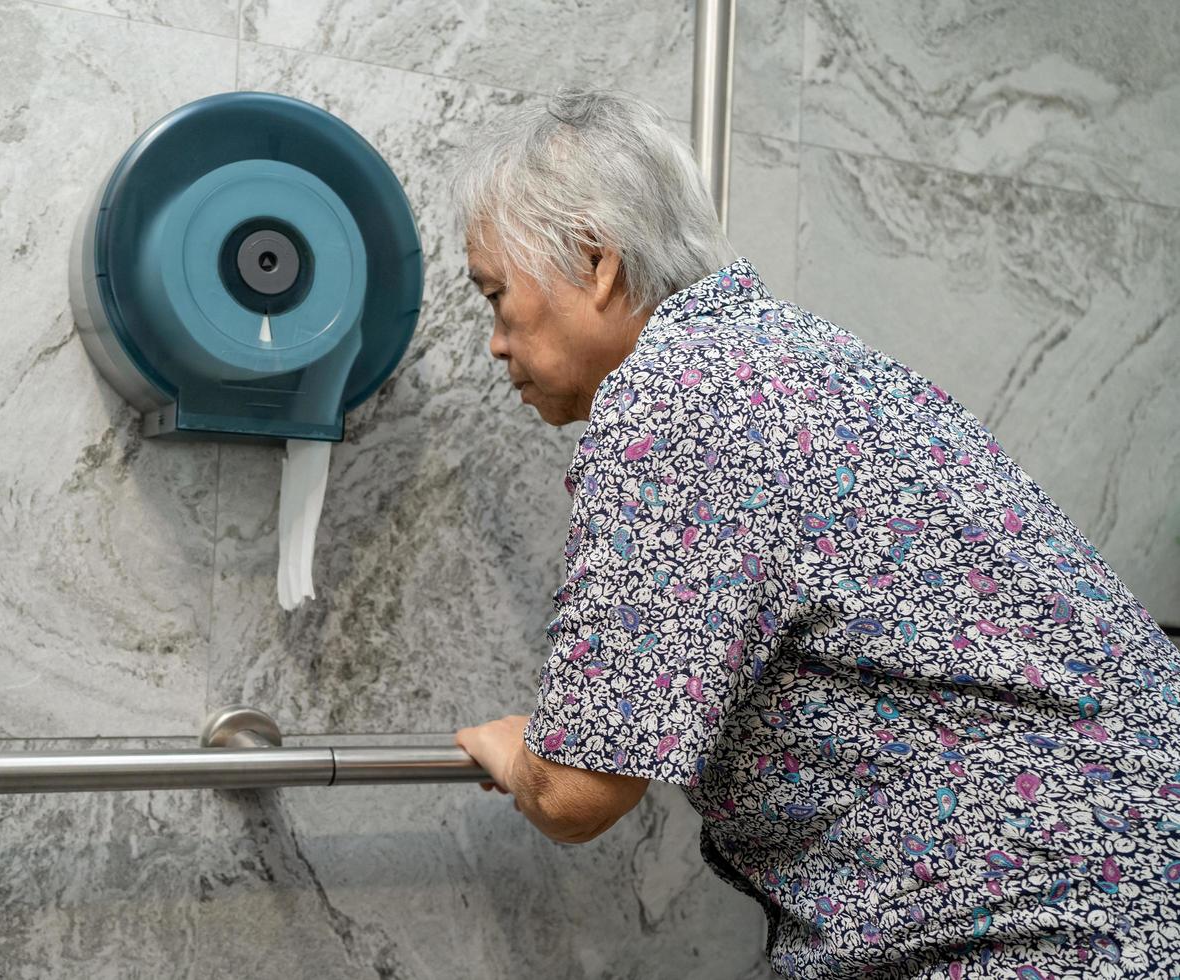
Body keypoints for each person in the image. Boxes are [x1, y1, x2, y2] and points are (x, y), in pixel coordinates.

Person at [450, 88, 1180, 980]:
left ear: (595, 262)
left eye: (496, 296)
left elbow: (576, 792)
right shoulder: (789, 356)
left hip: (1038, 928)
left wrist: (516, 755)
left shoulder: (680, 392)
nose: (494, 343)